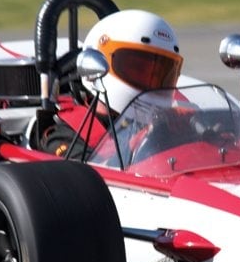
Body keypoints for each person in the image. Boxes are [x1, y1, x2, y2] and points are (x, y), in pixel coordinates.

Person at [39, 9, 183, 158]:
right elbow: (88, 176)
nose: (149, 80)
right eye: (137, 69)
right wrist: (138, 147)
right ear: (98, 66)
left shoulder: (163, 124)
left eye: (160, 74)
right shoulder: (65, 136)